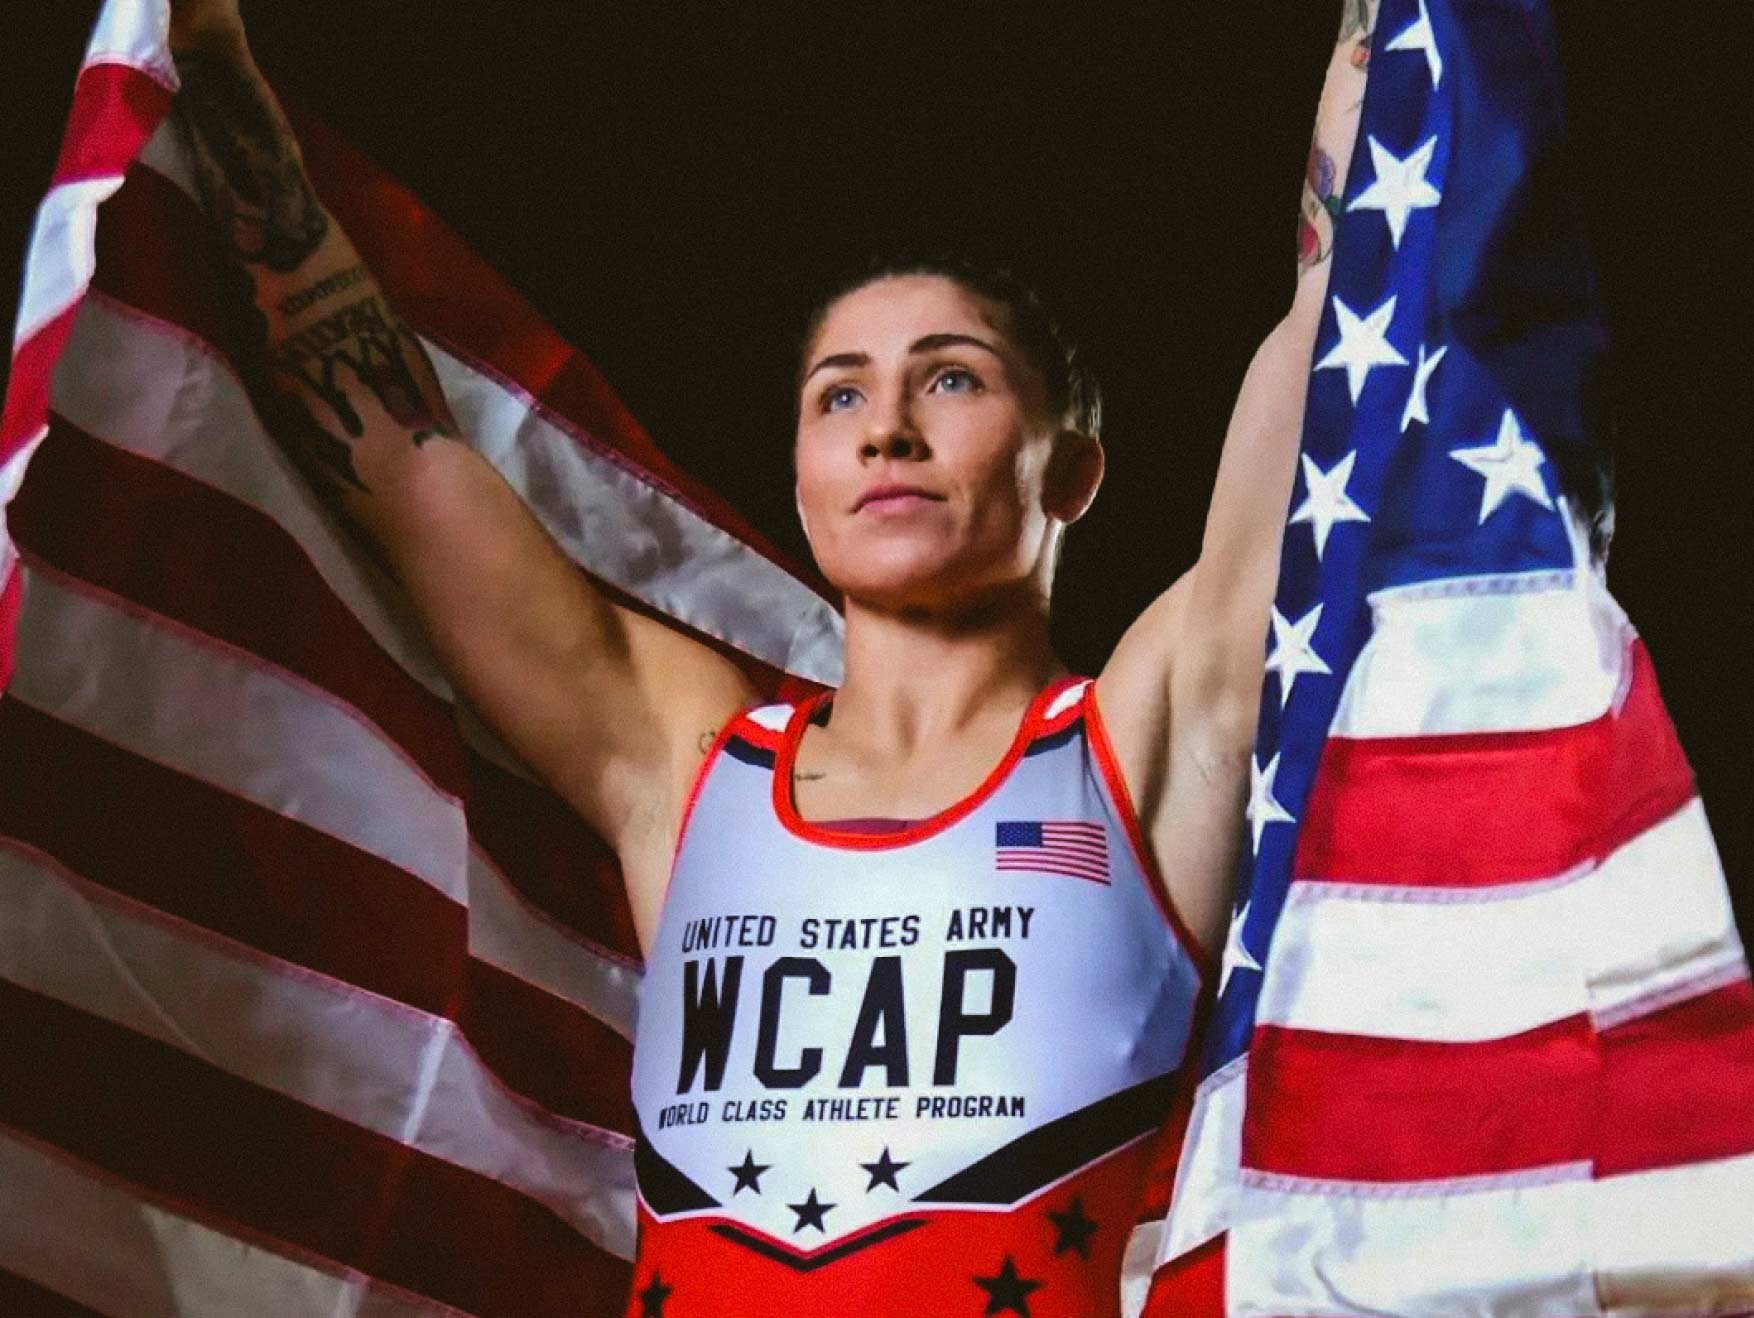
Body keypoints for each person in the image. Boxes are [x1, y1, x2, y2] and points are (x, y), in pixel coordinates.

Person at [165, 1, 1372, 1311]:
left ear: (1069, 469)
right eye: (837, 394)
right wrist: (215, 66)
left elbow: (1336, 312)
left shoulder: (1137, 742)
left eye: (952, 379)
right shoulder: (688, 766)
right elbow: (402, 458)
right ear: (799, 476)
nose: (887, 428)